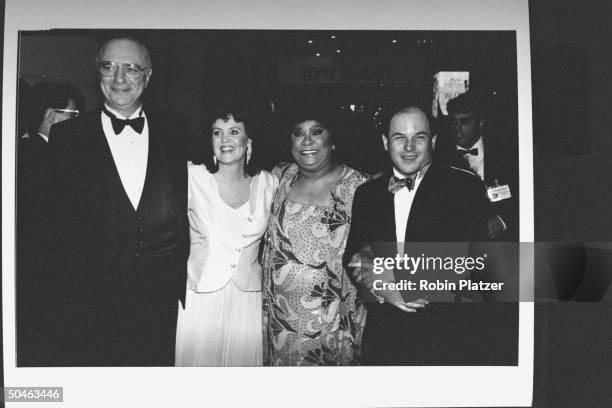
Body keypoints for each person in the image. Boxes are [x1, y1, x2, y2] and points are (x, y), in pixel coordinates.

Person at [47, 37, 191, 366]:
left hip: (164, 297)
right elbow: (55, 226)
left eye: (131, 68)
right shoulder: (68, 138)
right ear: (98, 72)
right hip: (93, 300)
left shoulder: (176, 128)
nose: (119, 79)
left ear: (149, 76)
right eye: (109, 67)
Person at [344, 106, 518, 365]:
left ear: (434, 141)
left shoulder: (464, 187)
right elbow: (354, 253)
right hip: (385, 336)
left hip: (445, 336)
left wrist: (396, 280)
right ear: (385, 142)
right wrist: (377, 281)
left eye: (420, 137)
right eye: (399, 137)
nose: (409, 146)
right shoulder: (367, 193)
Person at [261, 108, 369, 366]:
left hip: (333, 327)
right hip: (280, 325)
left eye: (317, 132)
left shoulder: (359, 187)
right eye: (299, 134)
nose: (307, 141)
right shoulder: (279, 177)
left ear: (332, 140)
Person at [175, 106, 278, 366]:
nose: (225, 140)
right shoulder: (191, 176)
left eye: (234, 131)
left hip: (248, 299)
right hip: (201, 298)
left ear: (248, 141)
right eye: (217, 132)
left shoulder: (269, 183)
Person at [17, 81, 83, 366]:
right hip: (41, 266)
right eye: (73, 114)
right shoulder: (29, 153)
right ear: (50, 115)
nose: (76, 122)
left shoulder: (58, 153)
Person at [445, 91, 518, 241]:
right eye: (453, 121)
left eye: (464, 122)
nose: (457, 128)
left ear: (480, 123)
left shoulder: (505, 155)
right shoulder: (441, 159)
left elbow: (521, 195)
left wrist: (503, 221)